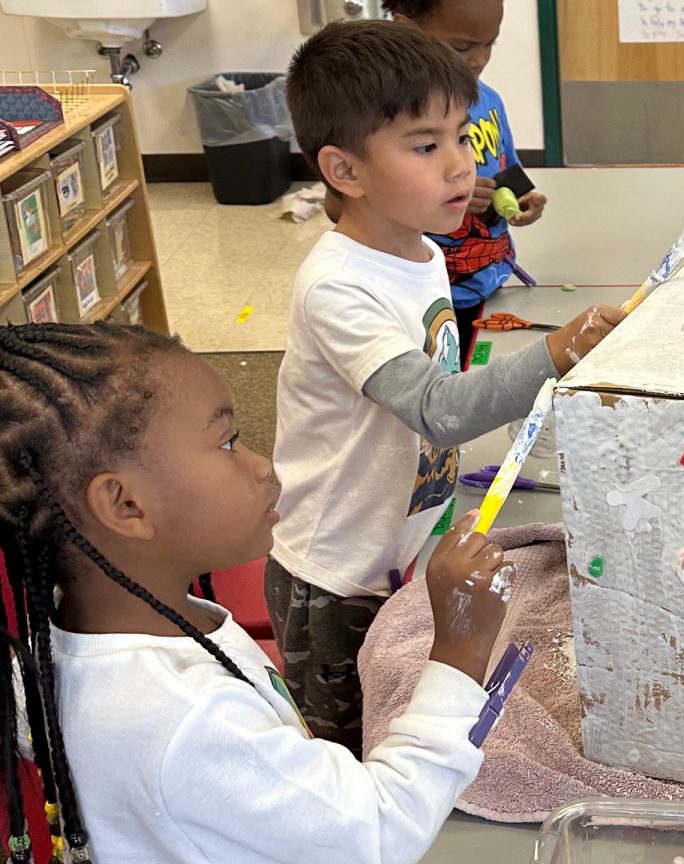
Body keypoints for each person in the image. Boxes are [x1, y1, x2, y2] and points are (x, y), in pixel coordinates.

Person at [0, 322, 513, 863]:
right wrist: (460, 649)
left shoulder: (78, 639)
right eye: (226, 443)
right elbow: (379, 832)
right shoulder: (187, 718)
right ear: (126, 505)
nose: (260, 463)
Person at [266, 19, 623, 755]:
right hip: (334, 579)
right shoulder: (338, 288)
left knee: (399, 715)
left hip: (398, 545)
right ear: (345, 170)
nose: (461, 165)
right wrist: (560, 350)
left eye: (463, 137)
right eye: (427, 146)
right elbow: (438, 407)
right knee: (356, 754)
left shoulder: (421, 250)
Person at [387, 0, 546, 367]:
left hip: (489, 282)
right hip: (426, 297)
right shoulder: (388, 118)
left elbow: (507, 168)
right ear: (406, 28)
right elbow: (342, 209)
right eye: (462, 47)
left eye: (490, 43)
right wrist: (446, 193)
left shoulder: (489, 101)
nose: (478, 60)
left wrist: (525, 198)